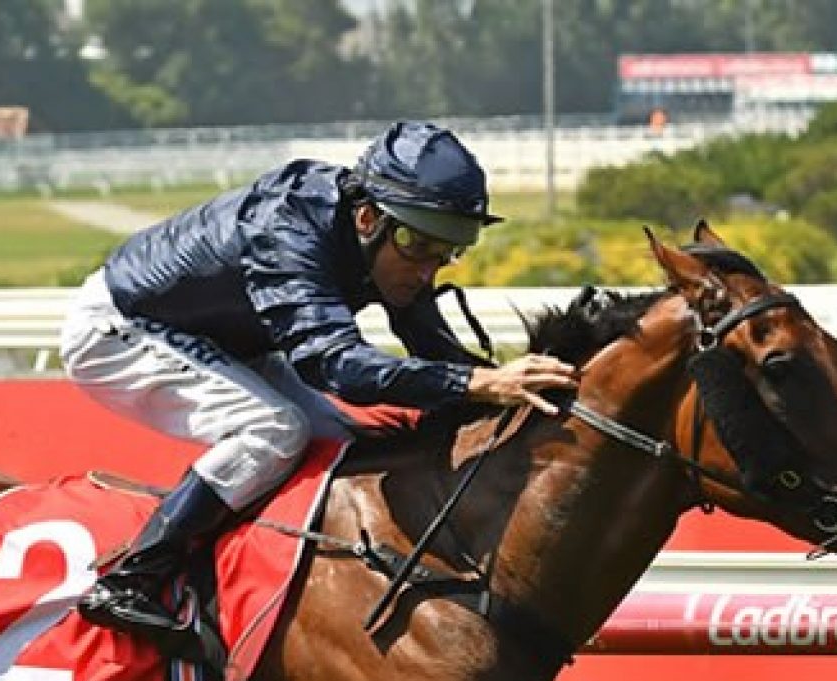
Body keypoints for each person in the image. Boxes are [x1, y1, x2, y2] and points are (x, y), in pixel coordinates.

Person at [60, 119, 580, 647]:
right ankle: (131, 579)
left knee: (342, 445)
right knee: (275, 430)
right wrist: (477, 383)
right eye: (418, 245)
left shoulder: (387, 238)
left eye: (446, 251)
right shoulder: (288, 230)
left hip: (226, 340)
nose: (427, 269)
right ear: (368, 217)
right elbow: (336, 367)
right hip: (122, 327)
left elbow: (435, 352)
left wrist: (518, 390)